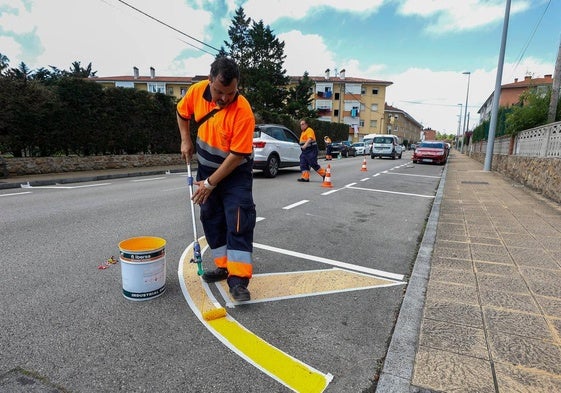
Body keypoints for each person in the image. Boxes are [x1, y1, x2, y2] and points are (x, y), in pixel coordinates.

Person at [176, 57, 256, 302]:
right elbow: (182, 113)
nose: (225, 98)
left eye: (230, 93)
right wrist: (185, 139)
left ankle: (239, 281)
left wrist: (211, 184)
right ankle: (223, 267)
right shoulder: (196, 92)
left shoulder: (243, 111)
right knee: (211, 218)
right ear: (209, 80)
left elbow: (237, 156)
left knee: (238, 221)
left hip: (235, 175)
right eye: (219, 92)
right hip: (205, 170)